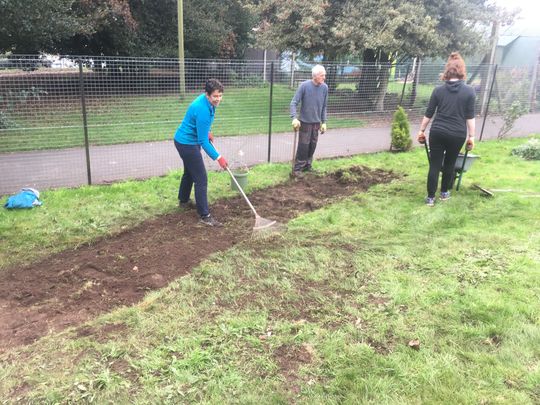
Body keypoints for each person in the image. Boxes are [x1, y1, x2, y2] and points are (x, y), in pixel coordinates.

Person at [417, 52, 476, 207]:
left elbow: (429, 113)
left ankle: (430, 198)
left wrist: (421, 130)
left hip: (437, 132)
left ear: (447, 71)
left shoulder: (438, 90)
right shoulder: (469, 91)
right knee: (449, 164)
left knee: (435, 165)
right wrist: (472, 136)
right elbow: (470, 117)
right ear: (462, 71)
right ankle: (444, 194)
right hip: (457, 134)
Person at [174, 78, 228, 226]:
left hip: (184, 140)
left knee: (190, 172)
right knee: (201, 178)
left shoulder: (207, 102)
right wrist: (219, 157)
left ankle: (183, 201)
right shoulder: (203, 108)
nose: (218, 99)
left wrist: (207, 130)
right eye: (215, 96)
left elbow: (202, 127)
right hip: (187, 143)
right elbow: (203, 141)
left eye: (220, 95)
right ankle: (205, 215)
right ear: (207, 94)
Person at [290, 64, 328, 176]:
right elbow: (293, 103)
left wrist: (324, 122)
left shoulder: (324, 88)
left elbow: (324, 106)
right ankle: (297, 169)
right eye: (322, 75)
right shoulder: (304, 86)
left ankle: (307, 166)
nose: (324, 77)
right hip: (305, 123)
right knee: (303, 146)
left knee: (312, 145)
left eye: (324, 75)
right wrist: (294, 118)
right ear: (315, 76)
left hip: (316, 123)